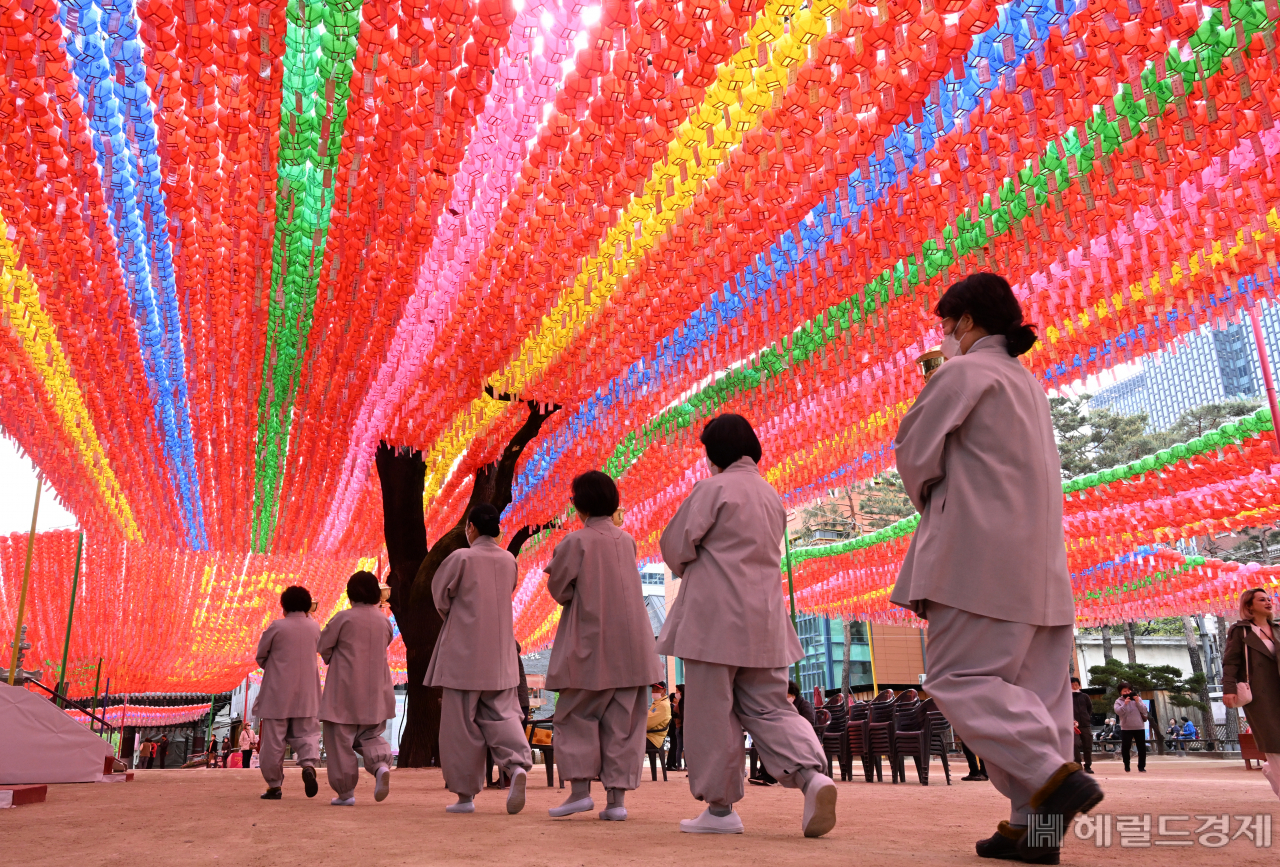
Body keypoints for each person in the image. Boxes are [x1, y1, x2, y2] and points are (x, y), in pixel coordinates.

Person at [888, 273, 1102, 862]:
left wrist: (934, 489)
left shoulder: (960, 372)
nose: (943, 336)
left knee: (959, 679)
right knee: (1040, 697)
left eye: (945, 325)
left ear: (964, 321)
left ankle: (1054, 777)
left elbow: (913, 450)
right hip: (1042, 566)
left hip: (978, 559)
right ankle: (1035, 831)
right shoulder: (1025, 382)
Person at [657, 413, 836, 837]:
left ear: (714, 452)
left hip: (714, 621)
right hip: (767, 623)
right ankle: (812, 777)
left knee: (712, 713)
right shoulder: (771, 495)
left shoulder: (712, 489)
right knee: (771, 706)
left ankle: (721, 811)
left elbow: (675, 545)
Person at [542, 471, 665, 821]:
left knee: (576, 714)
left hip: (590, 644)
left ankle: (580, 791)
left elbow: (560, 590)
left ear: (578, 503)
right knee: (623, 723)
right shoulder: (626, 540)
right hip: (633, 648)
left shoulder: (574, 542)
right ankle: (616, 802)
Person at [426, 504, 533, 815]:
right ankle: (517, 767)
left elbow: (440, 597)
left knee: (460, 724)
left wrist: (457, 617)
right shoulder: (509, 560)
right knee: (503, 715)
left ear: (470, 527)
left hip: (464, 652)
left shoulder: (460, 557)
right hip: (500, 654)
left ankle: (465, 796)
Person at [318, 571, 396, 806]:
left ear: (350, 593)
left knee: (340, 739)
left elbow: (323, 646)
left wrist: (332, 656)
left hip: (345, 689)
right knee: (370, 735)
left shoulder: (343, 618)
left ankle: (345, 792)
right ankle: (380, 765)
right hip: (377, 692)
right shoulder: (383, 620)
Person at [255, 585, 323, 799]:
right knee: (307, 733)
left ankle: (274, 785)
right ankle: (309, 764)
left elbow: (261, 656)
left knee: (274, 741)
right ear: (307, 606)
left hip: (278, 693)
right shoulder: (315, 629)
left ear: (283, 606)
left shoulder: (277, 627)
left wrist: (275, 666)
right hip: (307, 694)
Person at [1223, 587, 1280, 798]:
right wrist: (1229, 689)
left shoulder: (1277, 628)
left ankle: (1269, 770)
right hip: (1260, 695)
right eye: (1262, 600)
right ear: (1249, 606)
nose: (1268, 602)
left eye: (1269, 599)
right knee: (1274, 743)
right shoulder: (1241, 631)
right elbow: (1230, 663)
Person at [1113, 683, 1148, 773]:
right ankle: (1127, 765)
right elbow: (1118, 712)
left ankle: (1141, 766)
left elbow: (1144, 710)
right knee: (1125, 748)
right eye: (1125, 691)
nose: (1128, 692)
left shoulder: (1138, 699)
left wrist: (1137, 701)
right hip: (1126, 728)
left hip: (1139, 726)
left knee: (1141, 747)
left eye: (1129, 690)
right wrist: (1125, 704)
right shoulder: (1118, 701)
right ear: (1120, 692)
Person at [1070, 678, 1094, 774]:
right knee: (1075, 745)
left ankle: (1088, 766)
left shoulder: (1085, 696)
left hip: (1085, 724)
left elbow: (1089, 708)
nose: (1074, 686)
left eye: (1076, 684)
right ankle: (1078, 765)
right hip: (1073, 725)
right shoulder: (1067, 697)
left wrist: (1086, 717)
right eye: (1072, 684)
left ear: (1079, 685)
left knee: (1087, 745)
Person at [647, 681, 673, 749]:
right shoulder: (658, 702)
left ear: (664, 690)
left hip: (653, 738)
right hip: (650, 736)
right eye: (653, 689)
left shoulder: (662, 705)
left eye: (657, 689)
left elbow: (647, 724)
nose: (654, 691)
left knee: (629, 742)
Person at [665, 686, 684, 771]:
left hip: (674, 729)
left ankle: (673, 763)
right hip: (674, 729)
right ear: (674, 699)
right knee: (675, 747)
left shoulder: (674, 706)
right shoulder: (673, 707)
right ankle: (671, 764)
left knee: (676, 747)